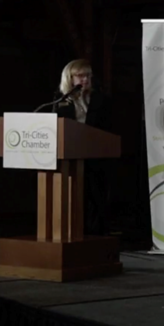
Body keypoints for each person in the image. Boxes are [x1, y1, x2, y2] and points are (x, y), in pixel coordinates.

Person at [54, 59, 113, 235]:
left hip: (94, 157)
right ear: (69, 78)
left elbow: (107, 128)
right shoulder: (60, 99)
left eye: (88, 75)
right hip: (69, 157)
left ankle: (95, 233)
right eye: (80, 75)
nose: (85, 79)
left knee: (94, 197)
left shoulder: (100, 99)